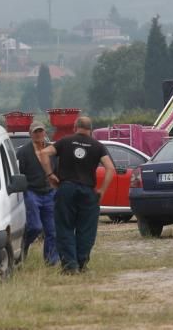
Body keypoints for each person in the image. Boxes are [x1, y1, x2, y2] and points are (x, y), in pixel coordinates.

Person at [39, 116, 115, 274]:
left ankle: (70, 266)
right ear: (91, 130)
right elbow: (110, 169)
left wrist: (50, 175)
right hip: (88, 191)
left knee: (64, 227)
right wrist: (102, 190)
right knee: (86, 229)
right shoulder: (97, 145)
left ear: (75, 127)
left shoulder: (65, 141)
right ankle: (82, 264)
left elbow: (43, 153)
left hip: (66, 188)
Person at [15, 122, 60, 265]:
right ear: (30, 134)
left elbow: (57, 169)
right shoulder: (23, 152)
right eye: (35, 132)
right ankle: (22, 248)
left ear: (45, 132)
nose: (39, 134)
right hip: (31, 192)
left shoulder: (51, 150)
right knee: (35, 227)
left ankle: (51, 260)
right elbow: (18, 173)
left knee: (52, 231)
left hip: (49, 193)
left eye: (41, 131)